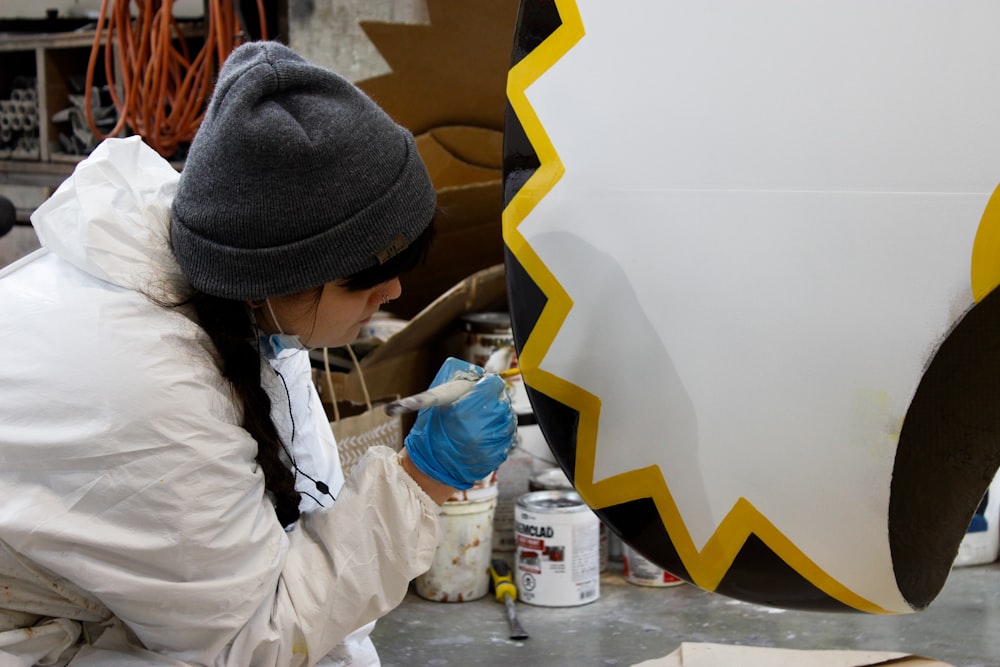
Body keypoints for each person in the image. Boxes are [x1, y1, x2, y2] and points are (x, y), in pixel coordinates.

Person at [0, 41, 515, 666]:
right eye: (374, 278)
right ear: (291, 273)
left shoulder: (235, 276)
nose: (396, 291)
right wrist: (421, 479)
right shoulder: (148, 387)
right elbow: (252, 640)